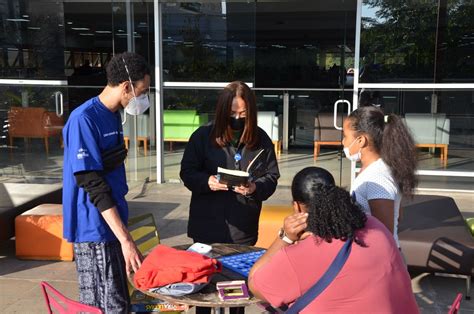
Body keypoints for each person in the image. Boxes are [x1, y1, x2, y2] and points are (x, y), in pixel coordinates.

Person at [248, 167, 419, 313]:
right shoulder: (376, 227)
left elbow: (255, 284)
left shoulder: (303, 255)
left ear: (297, 207)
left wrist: (284, 237)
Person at [180, 81, 280, 314]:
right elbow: (187, 172)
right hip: (207, 224)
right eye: (232, 113)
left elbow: (272, 177)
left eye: (243, 113)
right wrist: (207, 182)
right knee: (203, 291)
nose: (237, 118)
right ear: (222, 111)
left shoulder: (261, 140)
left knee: (237, 293)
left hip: (242, 227)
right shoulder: (203, 136)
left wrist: (255, 187)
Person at [62, 52, 151, 313]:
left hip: (112, 222)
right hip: (93, 227)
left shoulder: (113, 114)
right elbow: (91, 182)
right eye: (142, 91)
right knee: (106, 304)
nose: (142, 98)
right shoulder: (83, 119)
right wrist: (126, 240)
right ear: (126, 87)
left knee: (121, 300)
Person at [342, 106, 417, 247]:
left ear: (361, 141)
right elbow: (398, 215)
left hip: (379, 260)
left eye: (345, 136)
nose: (343, 142)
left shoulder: (376, 178)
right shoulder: (378, 168)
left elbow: (384, 235)